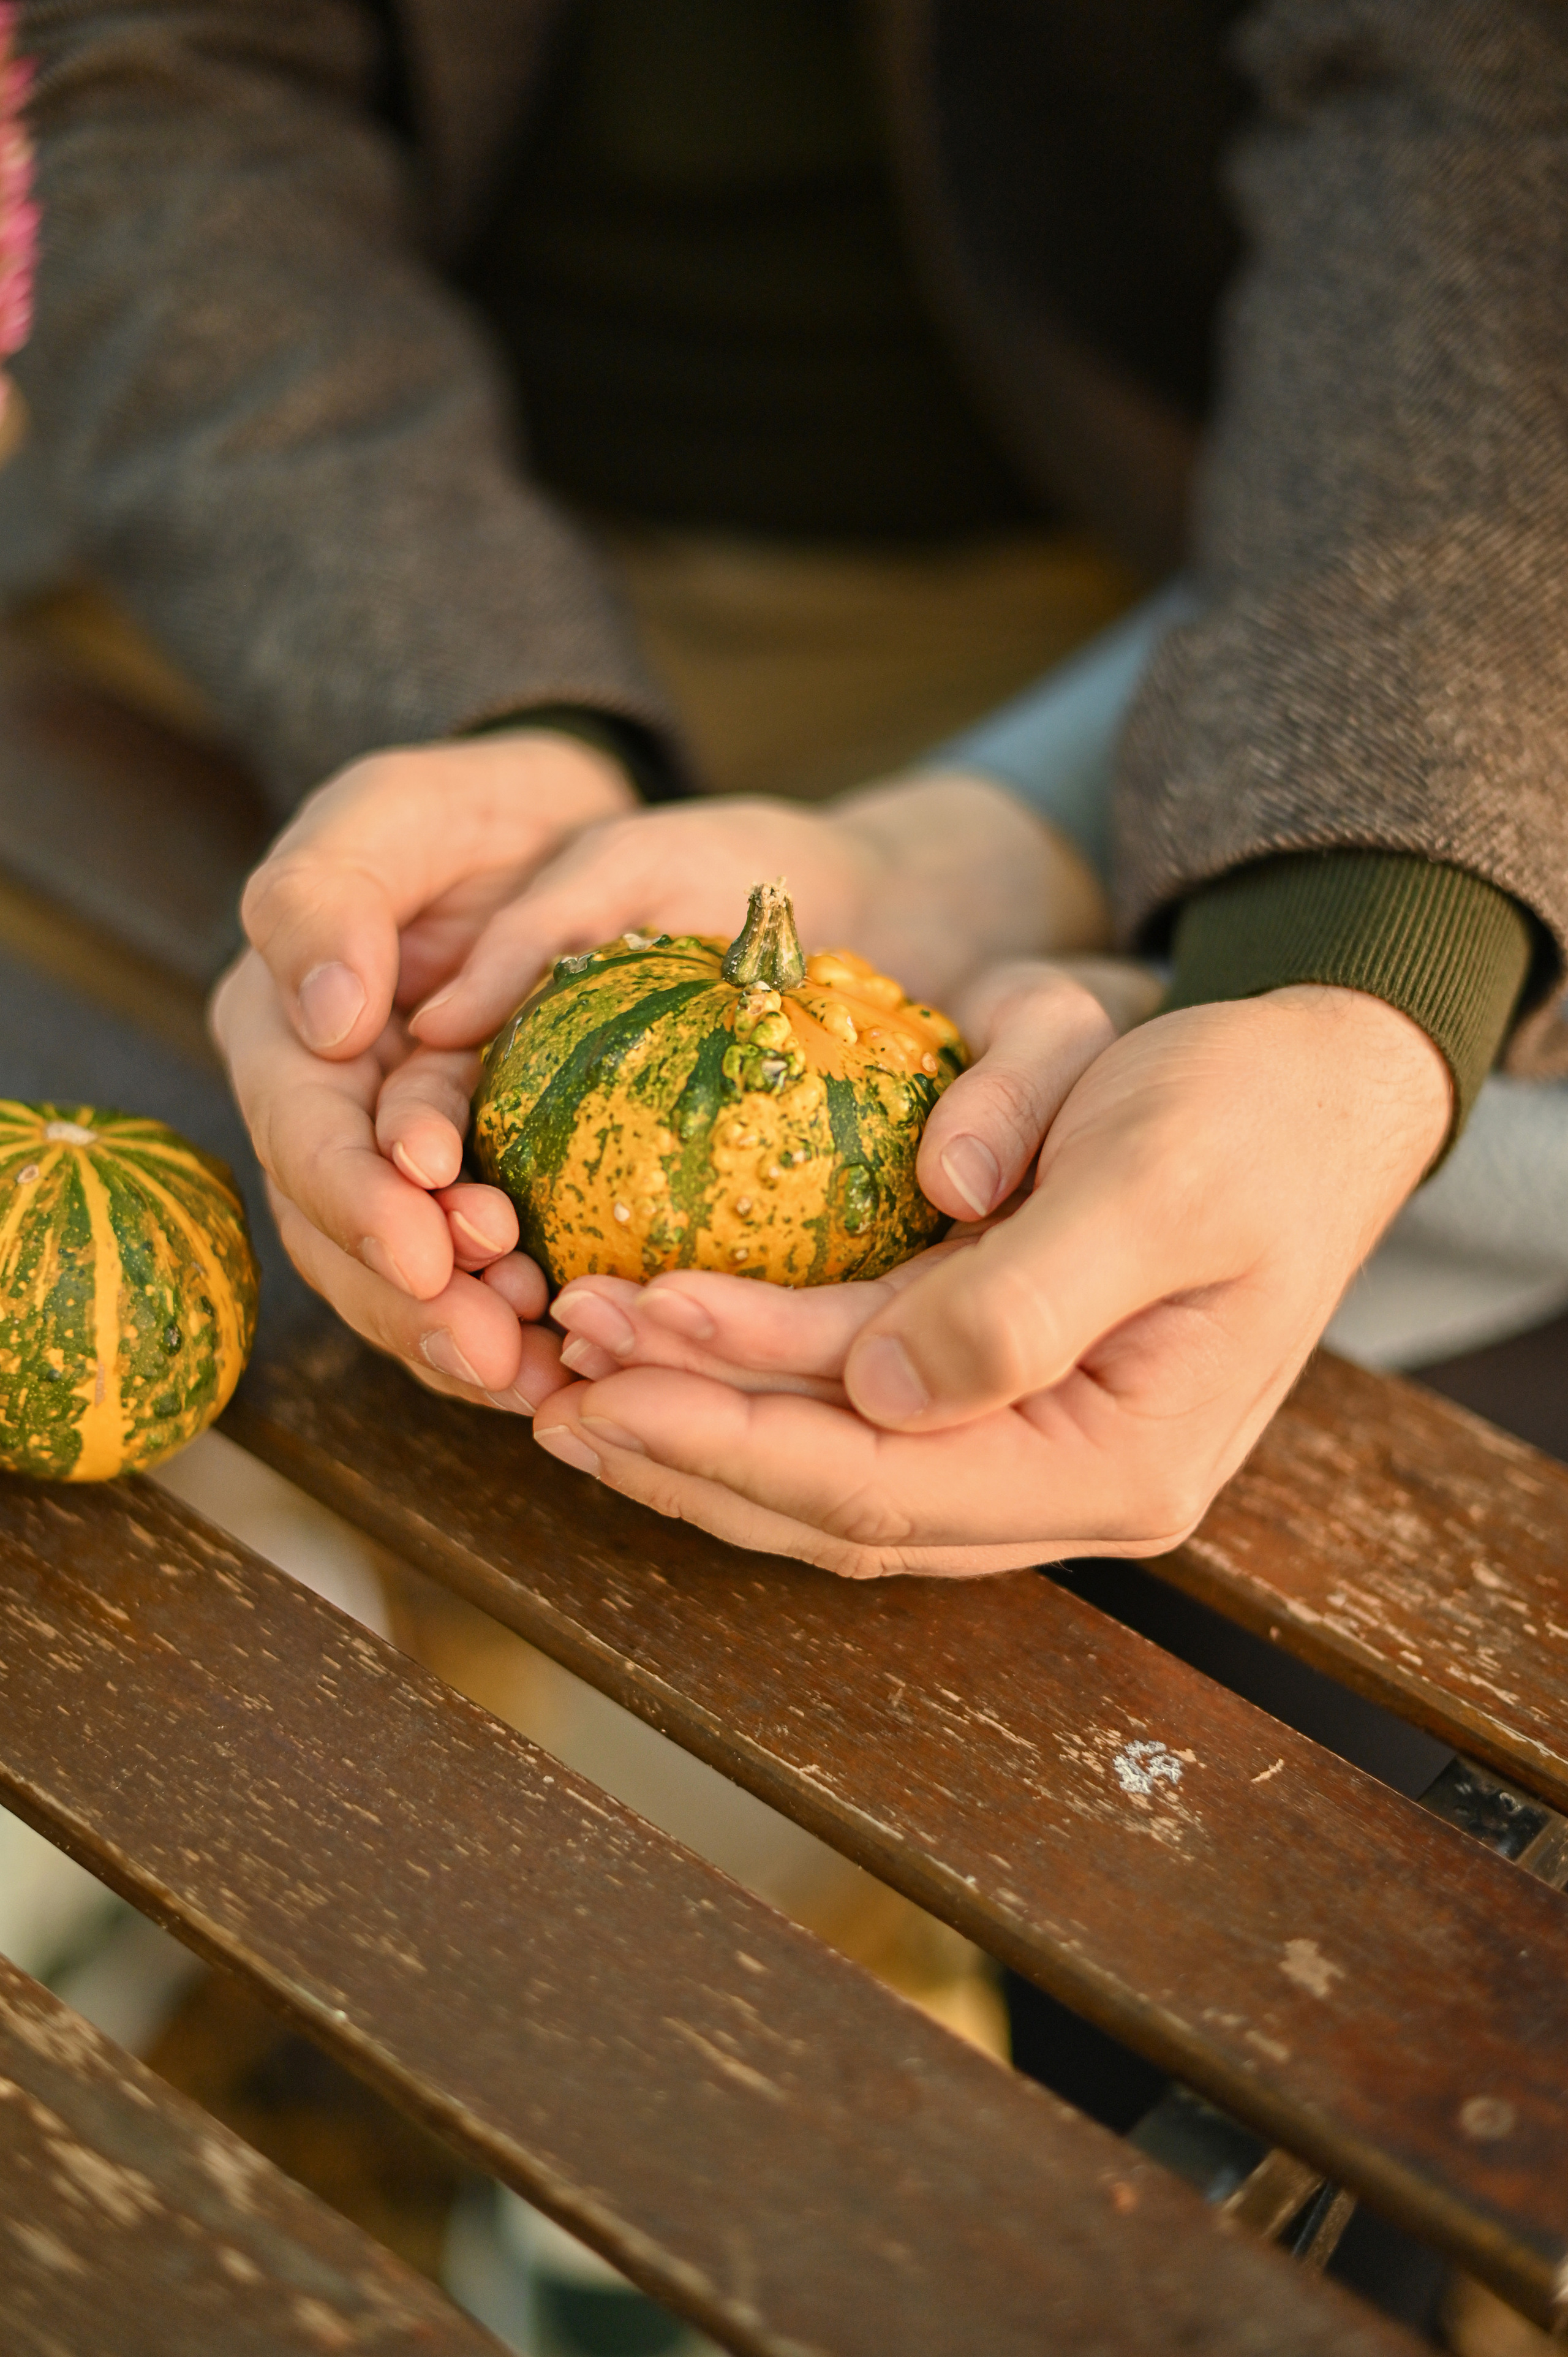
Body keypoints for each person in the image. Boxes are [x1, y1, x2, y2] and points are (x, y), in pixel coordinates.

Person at [10, 0, 1561, 1567]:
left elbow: (1492, 146)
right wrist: (477, 709)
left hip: (1134, 552)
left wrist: (1355, 956)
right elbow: (173, 88)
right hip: (363, 497)